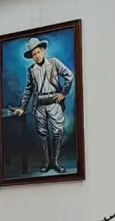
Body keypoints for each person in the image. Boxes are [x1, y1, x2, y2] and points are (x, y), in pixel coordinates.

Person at [12, 37, 74, 173]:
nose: (36, 56)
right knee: (43, 133)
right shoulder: (31, 70)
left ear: (43, 50)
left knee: (58, 131)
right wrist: (22, 107)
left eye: (38, 52)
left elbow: (69, 75)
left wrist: (64, 93)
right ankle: (47, 161)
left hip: (54, 102)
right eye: (33, 54)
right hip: (39, 105)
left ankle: (56, 161)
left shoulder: (54, 63)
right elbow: (28, 90)